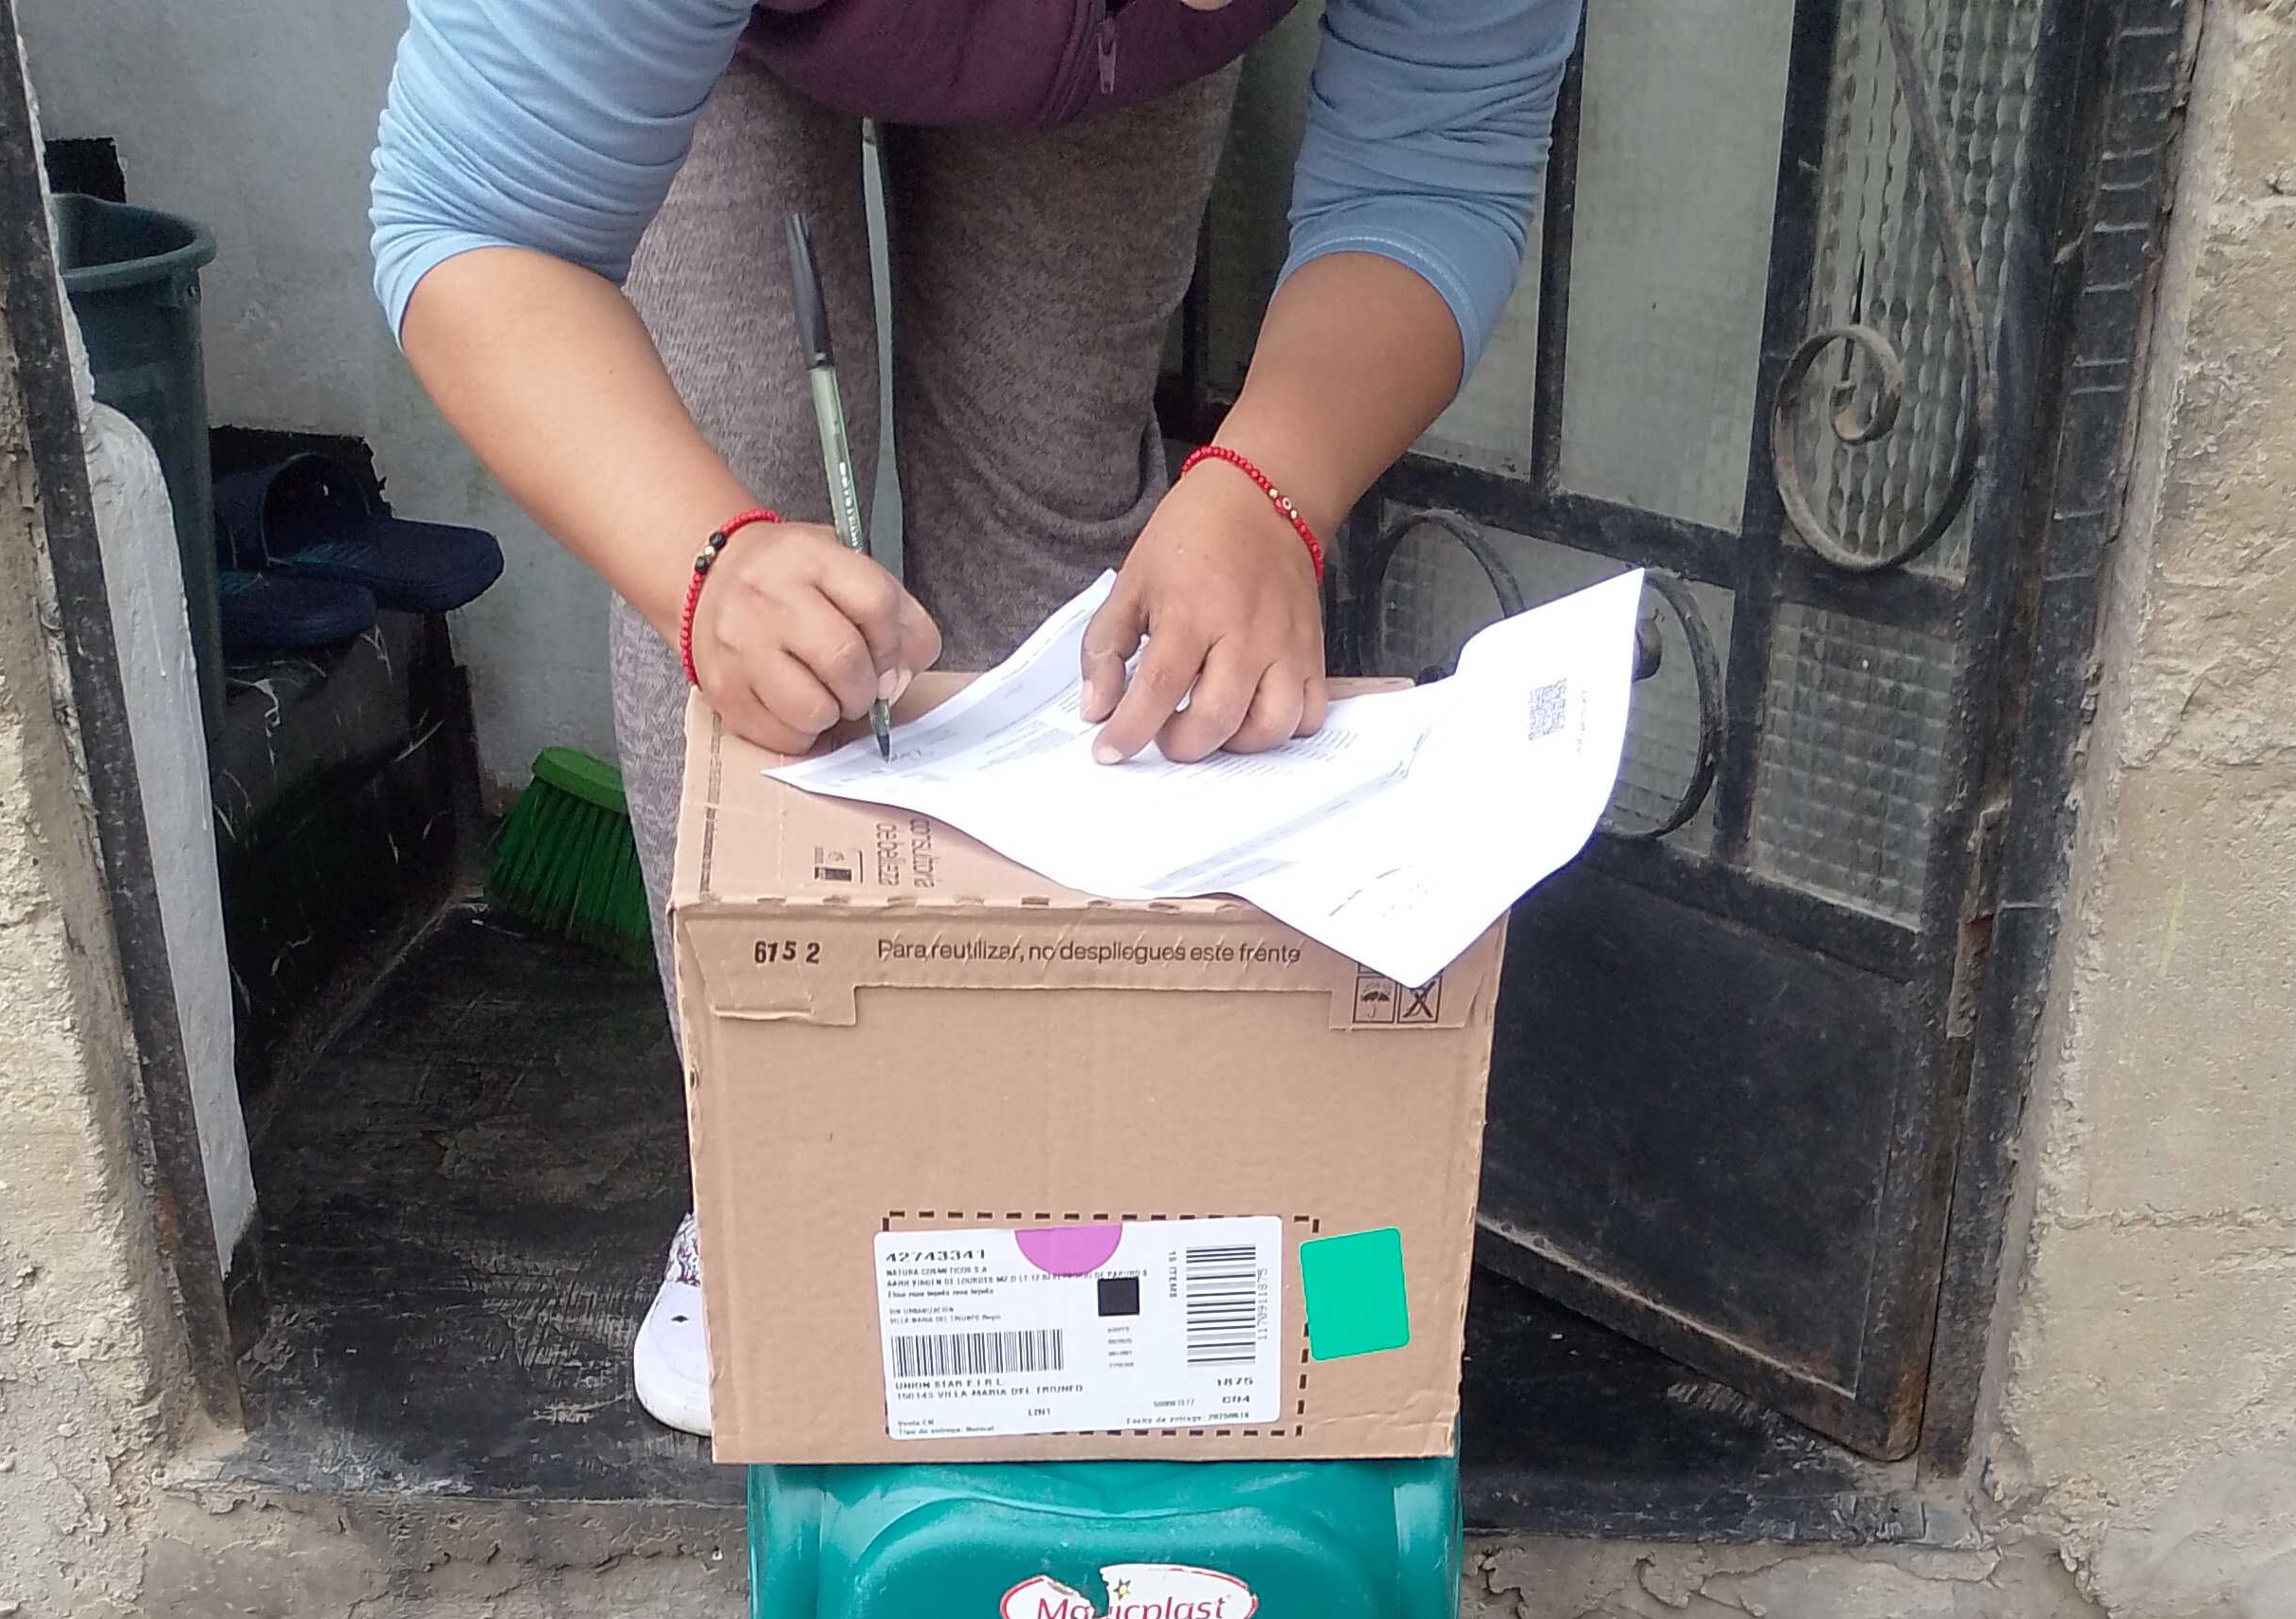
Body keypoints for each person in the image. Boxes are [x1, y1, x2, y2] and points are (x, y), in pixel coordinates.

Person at [371, 0, 1583, 1427]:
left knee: (1059, 551)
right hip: (726, 45)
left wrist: (1275, 482)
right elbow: (477, 222)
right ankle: (769, 1159)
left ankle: (1036, 1146)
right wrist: (709, 567)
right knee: (733, 491)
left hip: (1103, 80)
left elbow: (1433, 173)